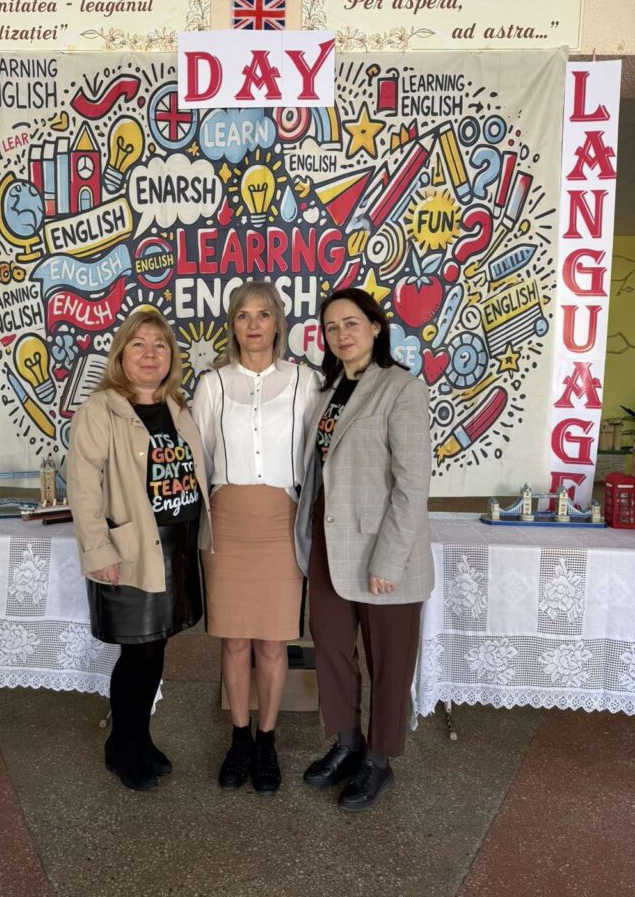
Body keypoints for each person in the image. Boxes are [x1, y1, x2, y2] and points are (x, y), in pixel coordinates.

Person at [294, 288, 433, 813]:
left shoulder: (401, 389)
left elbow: (411, 485)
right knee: (331, 649)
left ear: (376, 327)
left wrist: (389, 560)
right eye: (331, 327)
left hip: (383, 552)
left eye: (351, 323)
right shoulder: (328, 393)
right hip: (329, 546)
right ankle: (347, 743)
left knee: (390, 661)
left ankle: (379, 759)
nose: (341, 334)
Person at [67, 310, 211, 792]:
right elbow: (84, 487)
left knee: (157, 646)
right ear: (121, 355)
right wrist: (98, 550)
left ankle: (140, 738)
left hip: (177, 548)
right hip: (132, 549)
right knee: (139, 653)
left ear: (171, 357)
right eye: (139, 345)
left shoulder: (177, 406)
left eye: (160, 345)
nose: (151, 354)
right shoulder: (101, 409)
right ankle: (123, 747)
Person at [191, 281, 320, 795]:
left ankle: (267, 738)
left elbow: (315, 453)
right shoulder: (213, 384)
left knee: (272, 640)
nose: (253, 325)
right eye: (243, 315)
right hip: (227, 520)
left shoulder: (304, 380)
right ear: (232, 324)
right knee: (235, 639)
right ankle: (239, 736)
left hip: (281, 520)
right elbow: (198, 456)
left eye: (262, 314)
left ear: (277, 322)